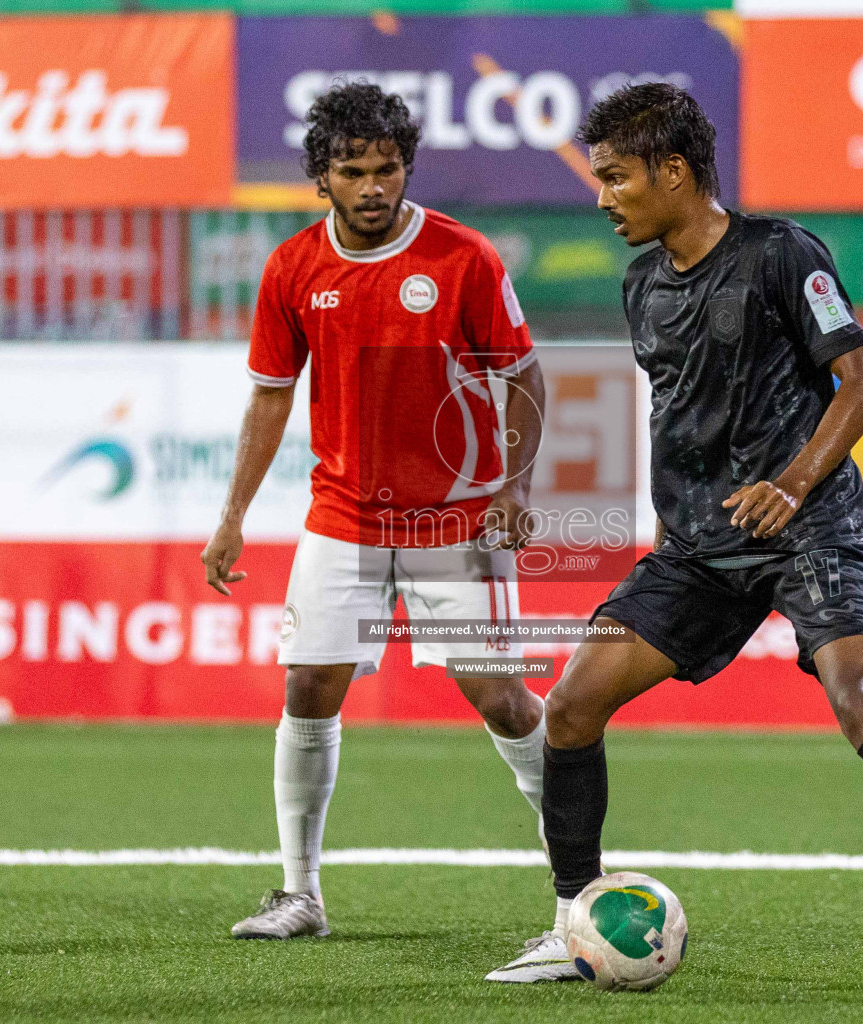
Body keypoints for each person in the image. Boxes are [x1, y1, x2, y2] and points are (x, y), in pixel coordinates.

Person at [533, 84, 863, 994]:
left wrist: (791, 483)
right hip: (699, 547)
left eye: (617, 177)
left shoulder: (781, 253)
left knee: (858, 690)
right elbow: (677, 407)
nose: (602, 198)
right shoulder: (640, 285)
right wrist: (672, 521)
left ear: (674, 171)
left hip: (806, 521)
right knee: (571, 706)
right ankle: (571, 923)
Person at [200, 82, 573, 981]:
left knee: (503, 701)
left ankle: (576, 893)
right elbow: (270, 395)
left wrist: (514, 486)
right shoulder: (291, 269)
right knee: (308, 688)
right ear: (320, 179)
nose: (374, 186)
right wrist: (233, 515)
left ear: (407, 166)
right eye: (353, 171)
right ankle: (300, 893)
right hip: (342, 517)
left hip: (453, 519)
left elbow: (522, 378)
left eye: (388, 168)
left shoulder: (462, 258)